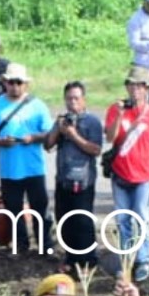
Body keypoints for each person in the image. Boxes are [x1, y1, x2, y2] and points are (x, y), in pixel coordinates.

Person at [102, 68, 149, 282]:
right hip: (121, 173)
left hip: (145, 175)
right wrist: (120, 114)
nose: (135, 90)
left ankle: (143, 259)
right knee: (122, 219)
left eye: (139, 85)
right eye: (131, 85)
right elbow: (111, 137)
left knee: (141, 217)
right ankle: (126, 258)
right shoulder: (115, 109)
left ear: (146, 89)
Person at [0, 62, 54, 255]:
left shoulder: (38, 105)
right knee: (13, 210)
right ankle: (21, 244)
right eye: (11, 82)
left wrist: (33, 138)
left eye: (18, 82)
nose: (14, 86)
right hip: (9, 169)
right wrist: (0, 141)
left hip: (33, 168)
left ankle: (45, 243)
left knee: (40, 208)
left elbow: (49, 134)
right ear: (5, 83)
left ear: (26, 84)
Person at [44, 81, 103, 273]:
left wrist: (73, 134)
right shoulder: (62, 120)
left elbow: (96, 149)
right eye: (69, 98)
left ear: (83, 100)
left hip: (83, 180)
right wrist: (58, 129)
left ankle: (87, 261)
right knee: (64, 221)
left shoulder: (91, 121)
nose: (72, 102)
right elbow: (48, 145)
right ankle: (71, 259)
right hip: (63, 180)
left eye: (76, 98)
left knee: (82, 222)